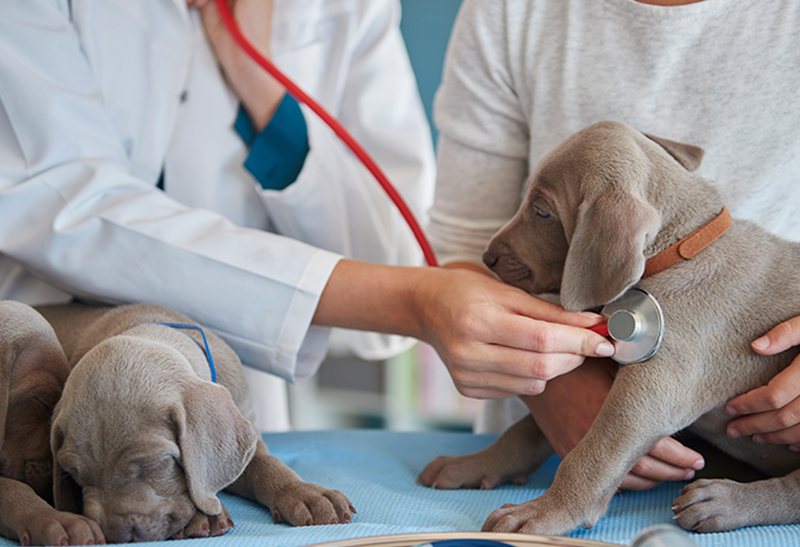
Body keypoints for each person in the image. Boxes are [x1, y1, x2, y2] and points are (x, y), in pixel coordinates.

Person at [0, 0, 613, 430]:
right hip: (39, 381)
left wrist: (263, 91)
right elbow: (59, 198)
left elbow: (396, 264)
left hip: (226, 416)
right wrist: (411, 300)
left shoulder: (343, 8)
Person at [428, 0, 800, 489]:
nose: (511, 237)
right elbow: (466, 249)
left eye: (542, 213)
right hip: (558, 423)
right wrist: (554, 383)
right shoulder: (510, 10)